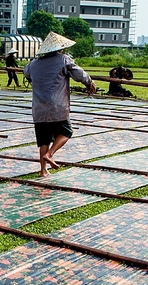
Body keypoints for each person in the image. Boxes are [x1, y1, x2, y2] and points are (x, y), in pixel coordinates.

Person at [23, 32, 96, 177]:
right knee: (66, 131)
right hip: (57, 107)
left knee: (43, 140)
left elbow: (27, 73)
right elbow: (79, 75)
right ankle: (50, 154)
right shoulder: (64, 60)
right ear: (59, 49)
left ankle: (43, 171)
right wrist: (90, 83)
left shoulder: (33, 64)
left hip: (39, 108)